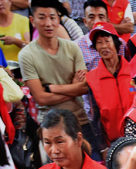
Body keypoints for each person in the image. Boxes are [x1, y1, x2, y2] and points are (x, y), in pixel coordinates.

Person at [18, 0, 90, 135]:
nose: (48, 23)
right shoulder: (26, 55)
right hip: (50, 124)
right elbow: (41, 98)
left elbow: (84, 88)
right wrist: (73, 89)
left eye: (52, 17)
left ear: (58, 19)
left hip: (79, 119)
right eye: (42, 17)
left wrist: (52, 88)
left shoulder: (73, 48)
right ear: (32, 20)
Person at [86, 22, 135, 146]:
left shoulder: (134, 71)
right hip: (113, 142)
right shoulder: (92, 78)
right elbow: (95, 116)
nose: (104, 46)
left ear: (116, 43)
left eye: (107, 41)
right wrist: (103, 147)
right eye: (99, 43)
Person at [77, 0, 126, 72]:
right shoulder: (78, 46)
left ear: (108, 20)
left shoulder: (121, 44)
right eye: (91, 17)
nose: (97, 21)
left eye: (101, 17)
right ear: (85, 21)